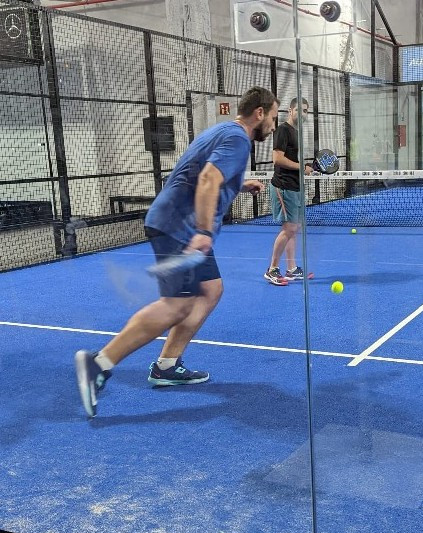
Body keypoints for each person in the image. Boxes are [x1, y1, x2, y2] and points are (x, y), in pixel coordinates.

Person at [75, 86, 280, 417]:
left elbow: (200, 171)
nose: (273, 124)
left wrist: (239, 184)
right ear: (260, 113)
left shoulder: (223, 131)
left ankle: (167, 365)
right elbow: (208, 179)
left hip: (180, 225)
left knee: (211, 290)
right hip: (178, 228)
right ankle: (99, 363)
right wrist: (203, 232)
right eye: (273, 116)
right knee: (177, 304)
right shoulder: (239, 139)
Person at [264, 97, 312, 286]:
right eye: (299, 110)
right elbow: (277, 159)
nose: (303, 114)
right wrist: (301, 167)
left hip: (295, 186)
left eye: (306, 111)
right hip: (283, 186)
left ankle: (291, 269)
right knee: (289, 228)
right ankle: (272, 269)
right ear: (290, 111)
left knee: (294, 228)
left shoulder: (296, 133)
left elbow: (293, 160)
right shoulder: (283, 130)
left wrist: (304, 167)